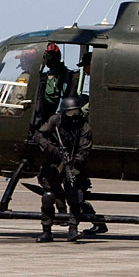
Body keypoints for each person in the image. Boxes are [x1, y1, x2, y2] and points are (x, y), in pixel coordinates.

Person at [33, 95, 91, 242]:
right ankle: (47, 231)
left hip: (73, 164)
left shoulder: (83, 126)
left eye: (77, 112)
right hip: (54, 163)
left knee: (76, 196)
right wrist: (51, 148)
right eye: (70, 113)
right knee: (48, 197)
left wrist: (75, 161)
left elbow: (85, 149)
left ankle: (73, 229)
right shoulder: (55, 120)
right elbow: (38, 135)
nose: (74, 116)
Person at [39, 43, 72, 121]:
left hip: (51, 113)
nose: (44, 59)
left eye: (45, 57)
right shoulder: (50, 74)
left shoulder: (59, 75)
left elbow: (55, 97)